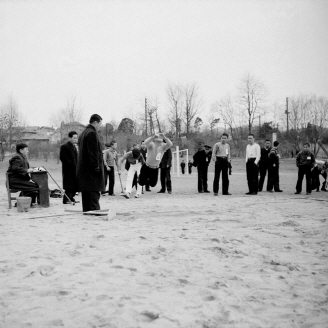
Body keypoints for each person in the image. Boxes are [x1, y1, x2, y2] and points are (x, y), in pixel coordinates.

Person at [76, 114, 105, 212]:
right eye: (100, 124)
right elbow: (93, 152)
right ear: (95, 122)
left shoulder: (83, 133)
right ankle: (94, 209)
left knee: (86, 191)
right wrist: (96, 166)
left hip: (83, 168)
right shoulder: (92, 133)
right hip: (91, 169)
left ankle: (87, 209)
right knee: (94, 189)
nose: (100, 126)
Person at [59, 131, 79, 204]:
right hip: (68, 169)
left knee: (74, 184)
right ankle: (66, 199)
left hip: (75, 169)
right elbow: (62, 157)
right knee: (69, 185)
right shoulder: (65, 146)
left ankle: (71, 197)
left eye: (76, 138)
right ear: (70, 138)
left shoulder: (75, 147)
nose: (75, 139)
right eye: (74, 138)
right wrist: (70, 164)